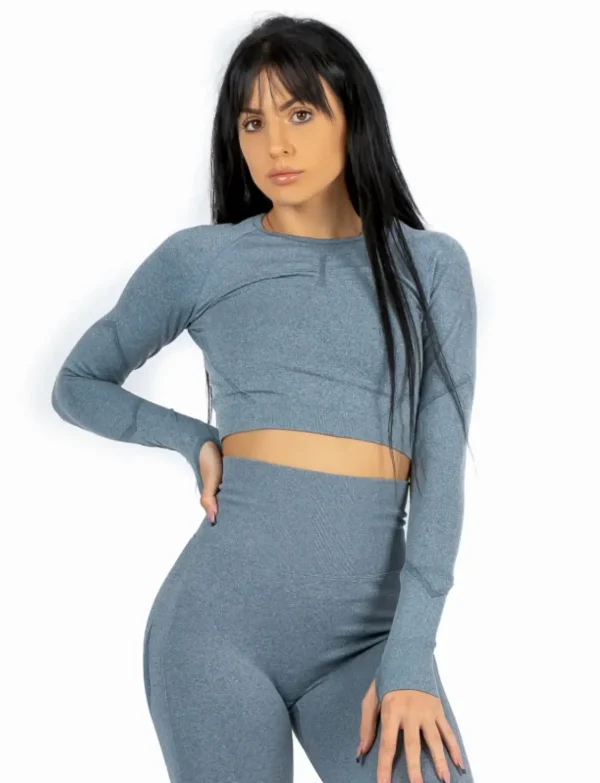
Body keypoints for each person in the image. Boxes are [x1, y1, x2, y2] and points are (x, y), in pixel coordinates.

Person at [51, 13, 477, 783]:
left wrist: (412, 652)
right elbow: (77, 383)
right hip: (216, 634)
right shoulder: (202, 260)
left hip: (371, 644)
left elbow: (441, 474)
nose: (275, 143)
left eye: (300, 113)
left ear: (353, 116)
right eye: (253, 122)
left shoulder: (430, 267)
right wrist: (192, 438)